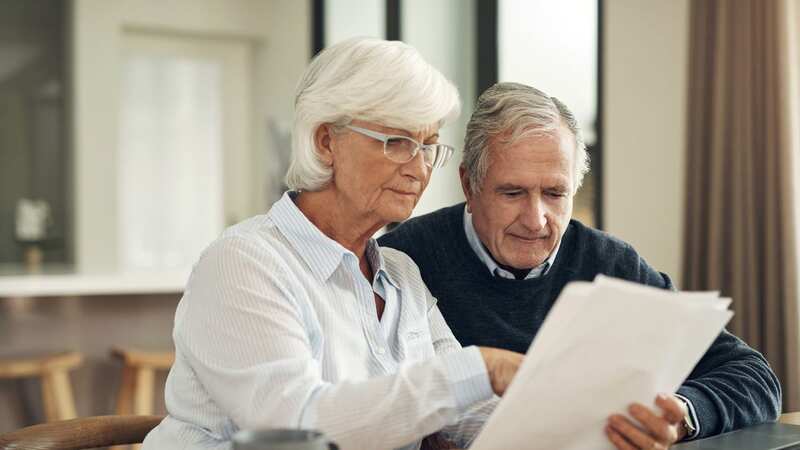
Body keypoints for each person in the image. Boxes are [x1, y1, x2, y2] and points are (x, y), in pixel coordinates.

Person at [141, 38, 524, 450]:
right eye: (397, 142)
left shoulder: (400, 274)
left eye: (429, 146)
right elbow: (300, 428)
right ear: (326, 142)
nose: (419, 169)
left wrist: (578, 429)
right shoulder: (243, 263)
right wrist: (481, 367)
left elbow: (465, 415)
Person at [379, 82, 782, 449]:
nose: (536, 219)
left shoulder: (612, 264)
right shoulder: (402, 260)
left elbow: (754, 377)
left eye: (555, 193)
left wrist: (680, 416)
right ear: (469, 184)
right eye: (513, 192)